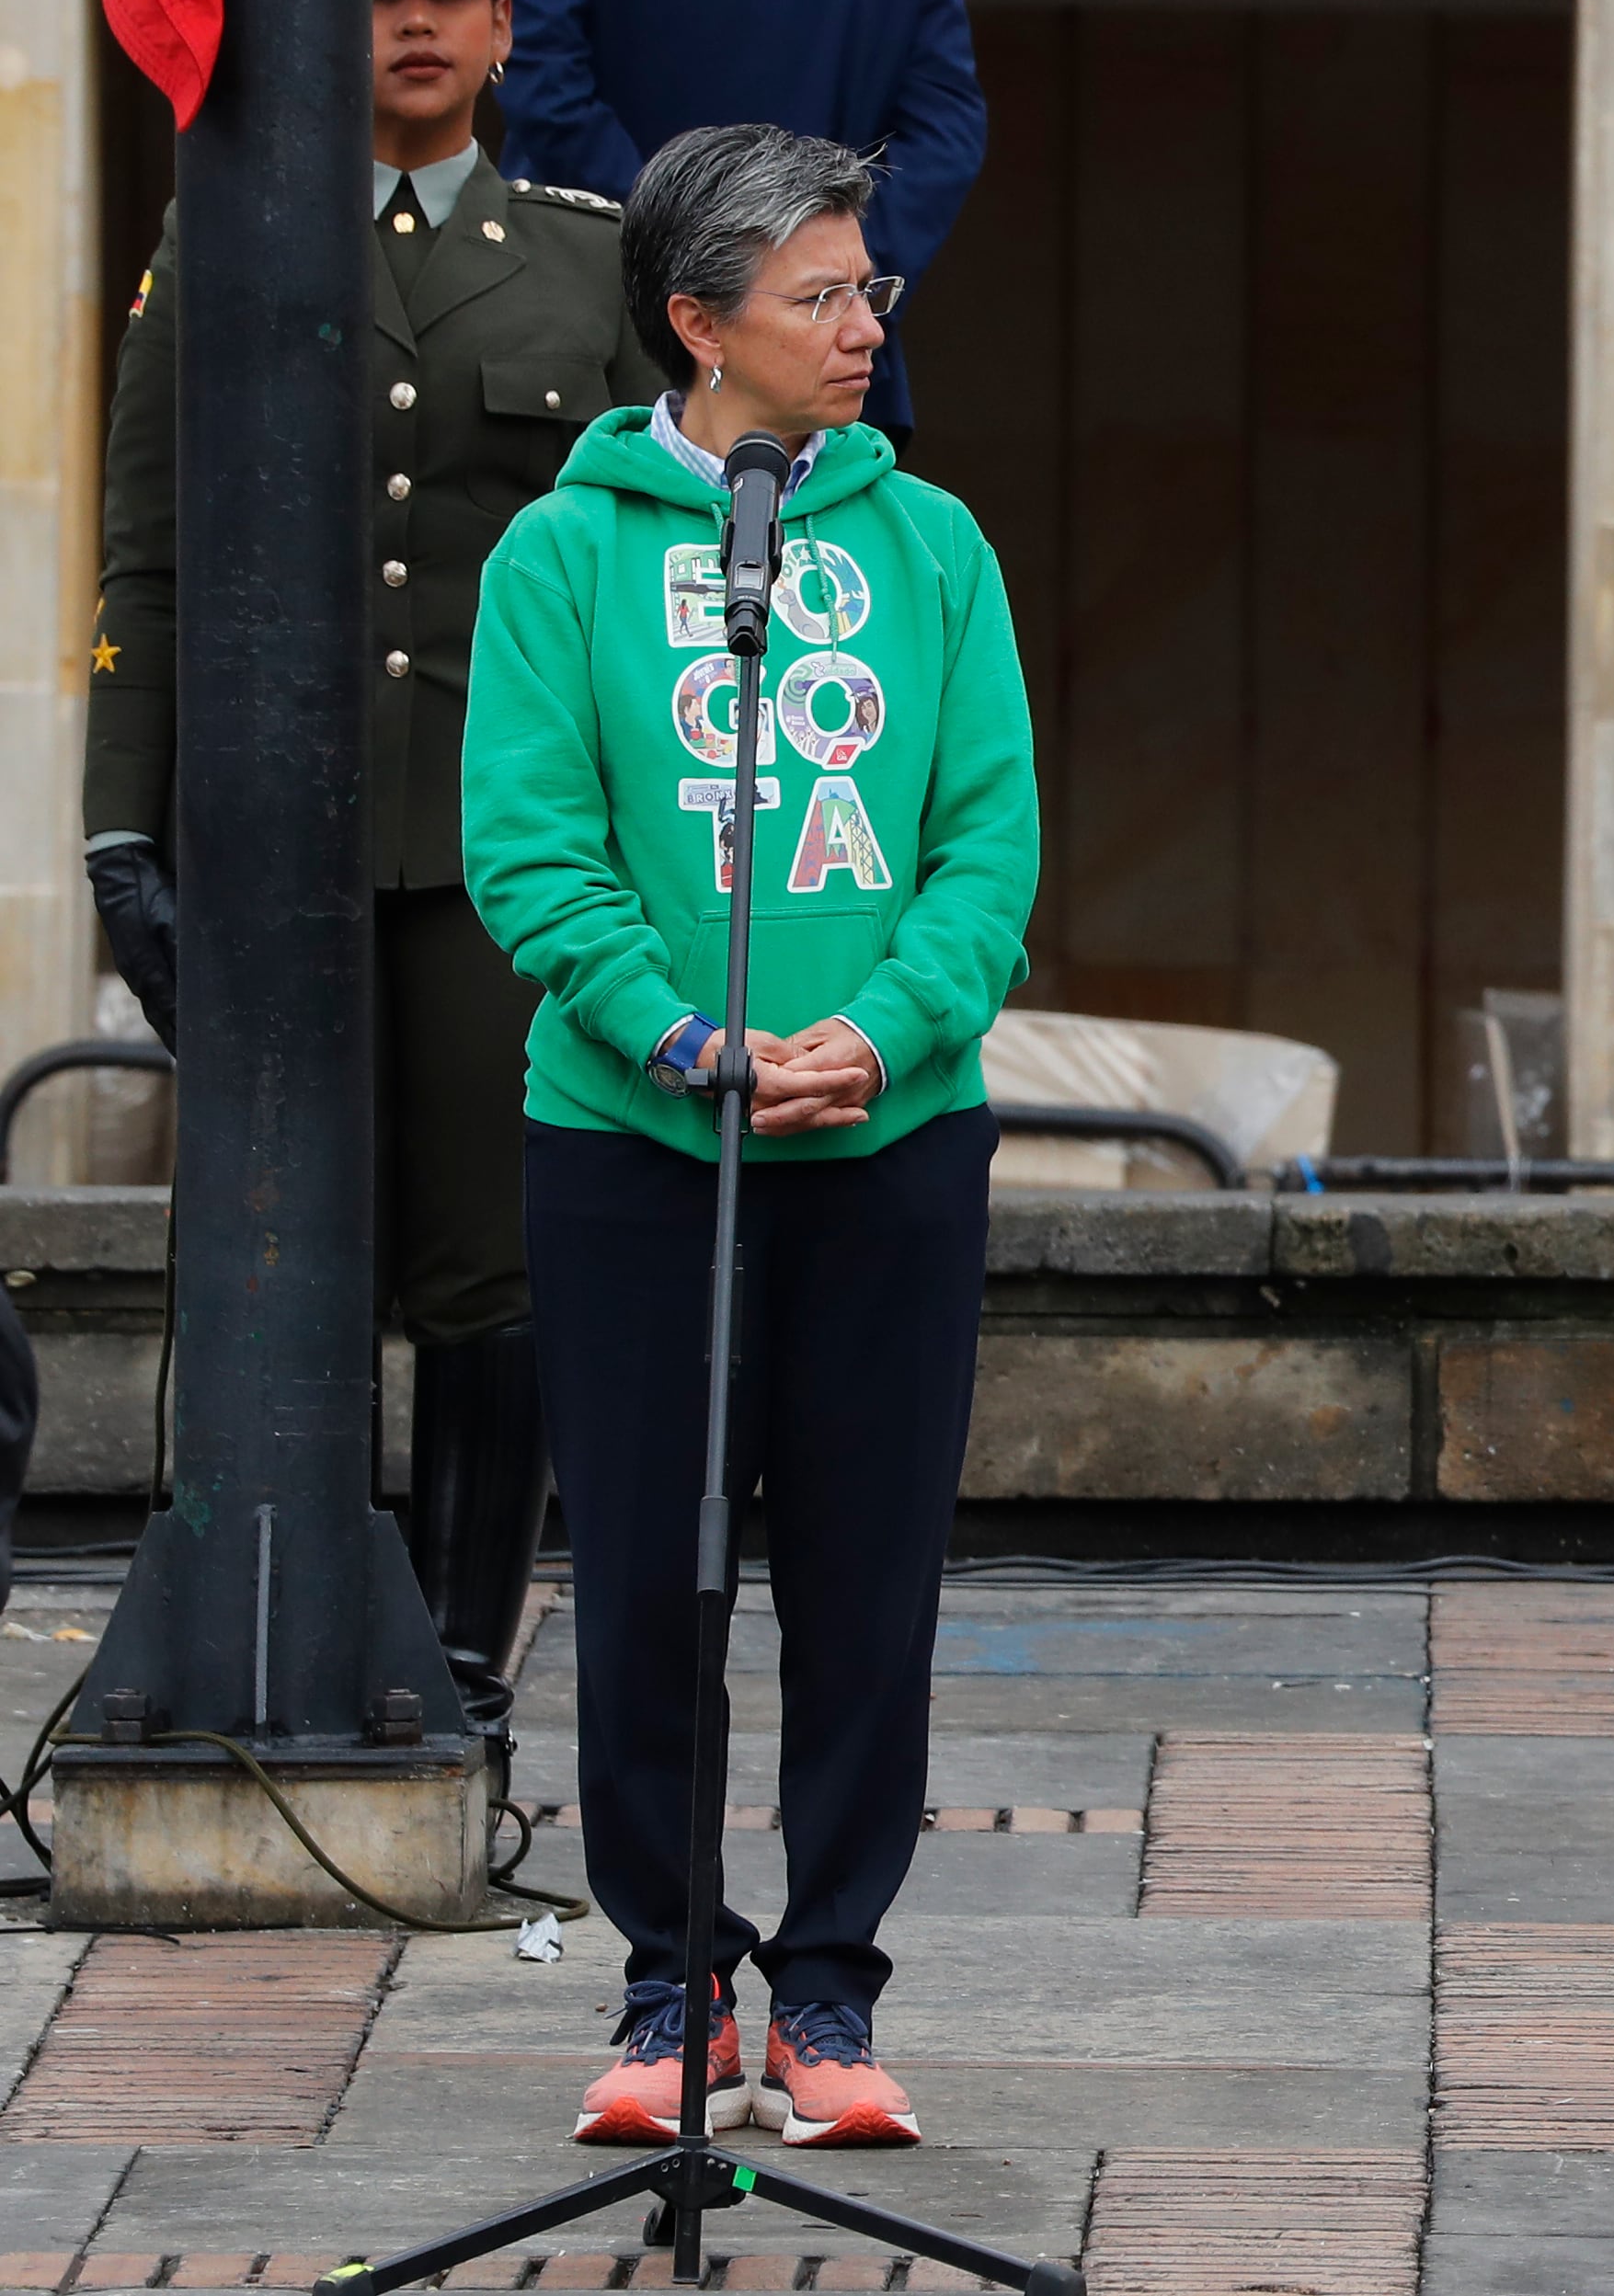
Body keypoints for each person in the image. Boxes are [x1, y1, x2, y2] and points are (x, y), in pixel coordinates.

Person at [464, 123, 1036, 2151]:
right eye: (820, 294)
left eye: (869, 288)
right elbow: (528, 850)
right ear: (700, 321)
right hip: (636, 1152)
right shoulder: (566, 550)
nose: (864, 324)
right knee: (644, 1575)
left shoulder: (935, 547)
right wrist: (689, 1032)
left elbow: (988, 845)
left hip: (887, 1150)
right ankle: (669, 1973)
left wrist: (875, 1036)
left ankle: (829, 1988)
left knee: (869, 1581)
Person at [81, 0, 658, 1738]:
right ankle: (290, 1620)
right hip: (280, 838)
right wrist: (121, 824)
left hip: (507, 854)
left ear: (503, 32)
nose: (411, 22)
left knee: (486, 1268)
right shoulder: (231, 232)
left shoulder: (595, 261)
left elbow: (656, 580)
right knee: (281, 1252)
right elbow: (151, 557)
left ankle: (465, 1659)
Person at [492, 0, 985, 439]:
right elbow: (947, 132)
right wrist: (824, 295)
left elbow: (544, 90)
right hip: (828, 388)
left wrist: (705, 277)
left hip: (600, 368)